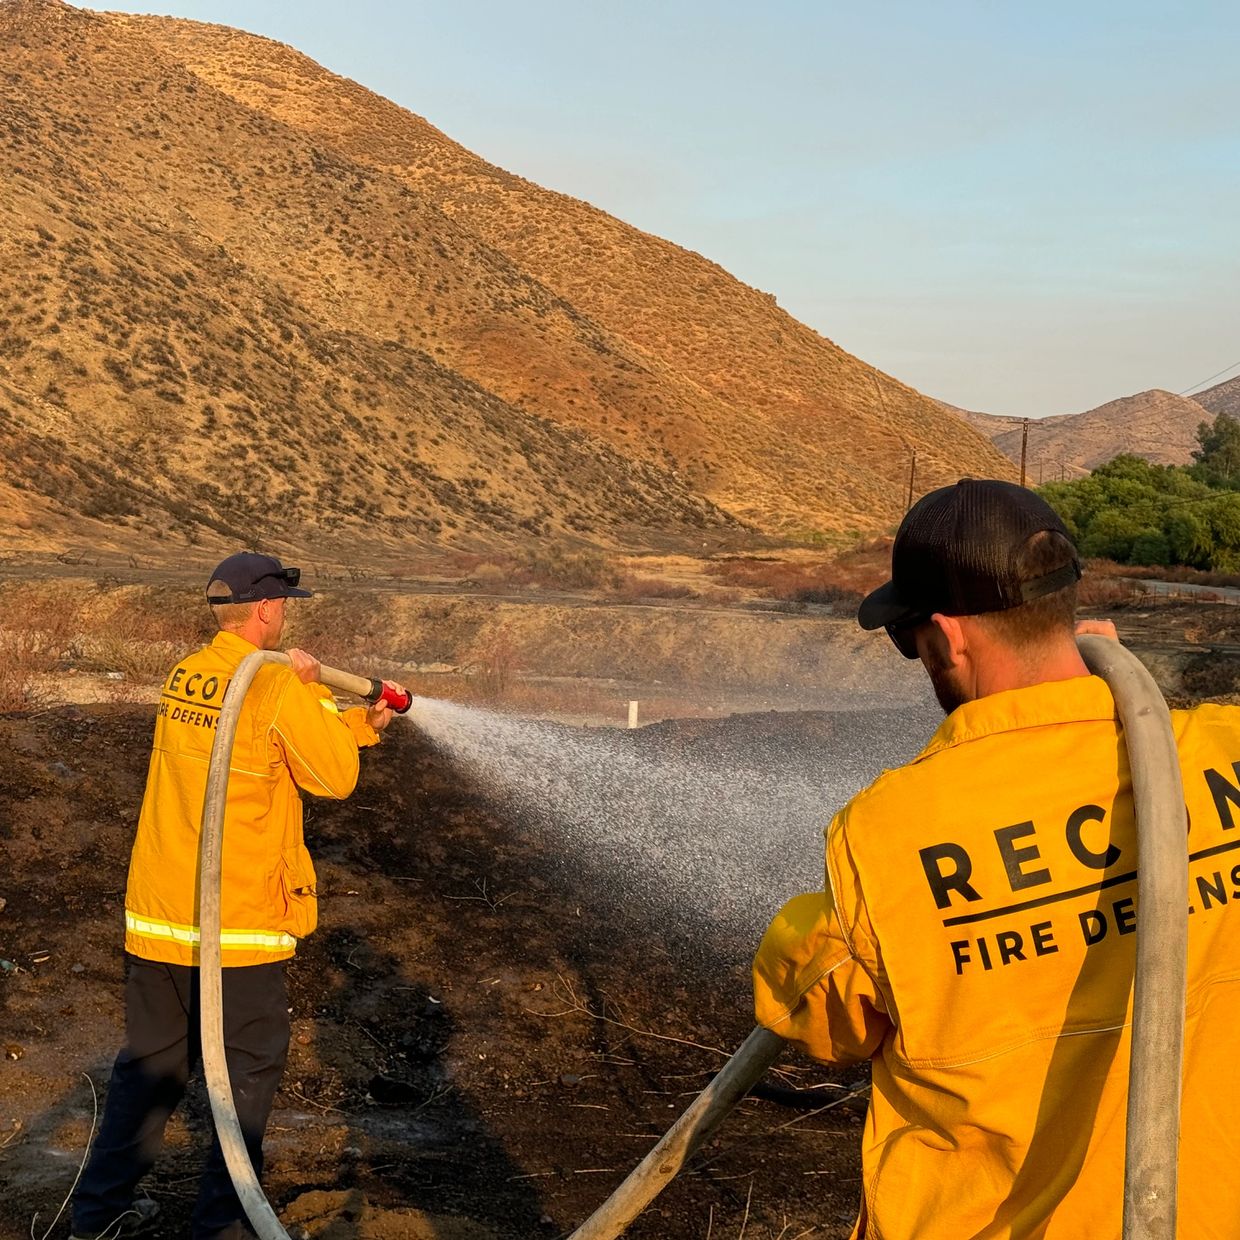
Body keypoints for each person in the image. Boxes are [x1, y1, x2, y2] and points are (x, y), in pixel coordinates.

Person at [752, 479, 1240, 1239]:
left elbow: (820, 1023)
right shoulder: (1224, 750)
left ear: (947, 637)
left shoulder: (888, 833)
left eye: (908, 637)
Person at [72, 553, 405, 1240]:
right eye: (284, 606)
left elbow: (275, 751)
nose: (286, 616)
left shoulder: (188, 672)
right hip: (239, 924)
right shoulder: (278, 687)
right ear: (263, 610)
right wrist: (318, 695)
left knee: (150, 1067)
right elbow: (332, 778)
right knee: (243, 1080)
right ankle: (223, 1226)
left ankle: (97, 1218)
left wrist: (357, 722)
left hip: (162, 915)